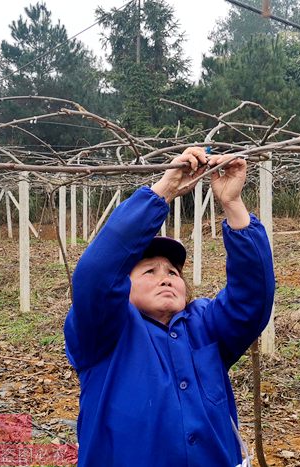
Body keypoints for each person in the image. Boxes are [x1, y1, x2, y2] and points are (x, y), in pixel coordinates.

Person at [64, 147, 275, 467]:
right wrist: (165, 189)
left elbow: (252, 298)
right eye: (150, 271)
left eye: (173, 273)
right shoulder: (104, 334)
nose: (166, 279)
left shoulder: (204, 325)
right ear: (122, 287)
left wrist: (233, 204)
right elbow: (97, 273)